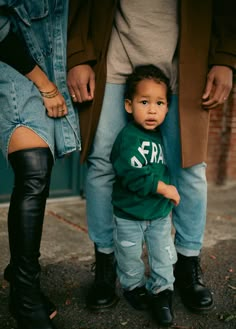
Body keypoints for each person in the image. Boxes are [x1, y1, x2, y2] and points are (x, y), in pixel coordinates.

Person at [67, 0, 236, 313]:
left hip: (185, 61)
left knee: (189, 167)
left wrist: (226, 56)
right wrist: (77, 54)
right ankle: (105, 266)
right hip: (115, 58)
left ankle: (186, 266)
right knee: (102, 164)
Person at [0, 0, 83, 329]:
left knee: (40, 173)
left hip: (51, 70)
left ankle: (20, 280)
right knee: (33, 172)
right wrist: (46, 86)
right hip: (15, 66)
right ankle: (26, 298)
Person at [111, 64, 180, 326]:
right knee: (129, 256)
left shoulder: (162, 137)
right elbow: (129, 173)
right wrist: (163, 188)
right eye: (144, 101)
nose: (152, 109)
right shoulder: (128, 137)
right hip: (128, 214)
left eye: (160, 103)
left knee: (162, 253)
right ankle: (134, 287)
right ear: (129, 105)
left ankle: (163, 292)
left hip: (159, 214)